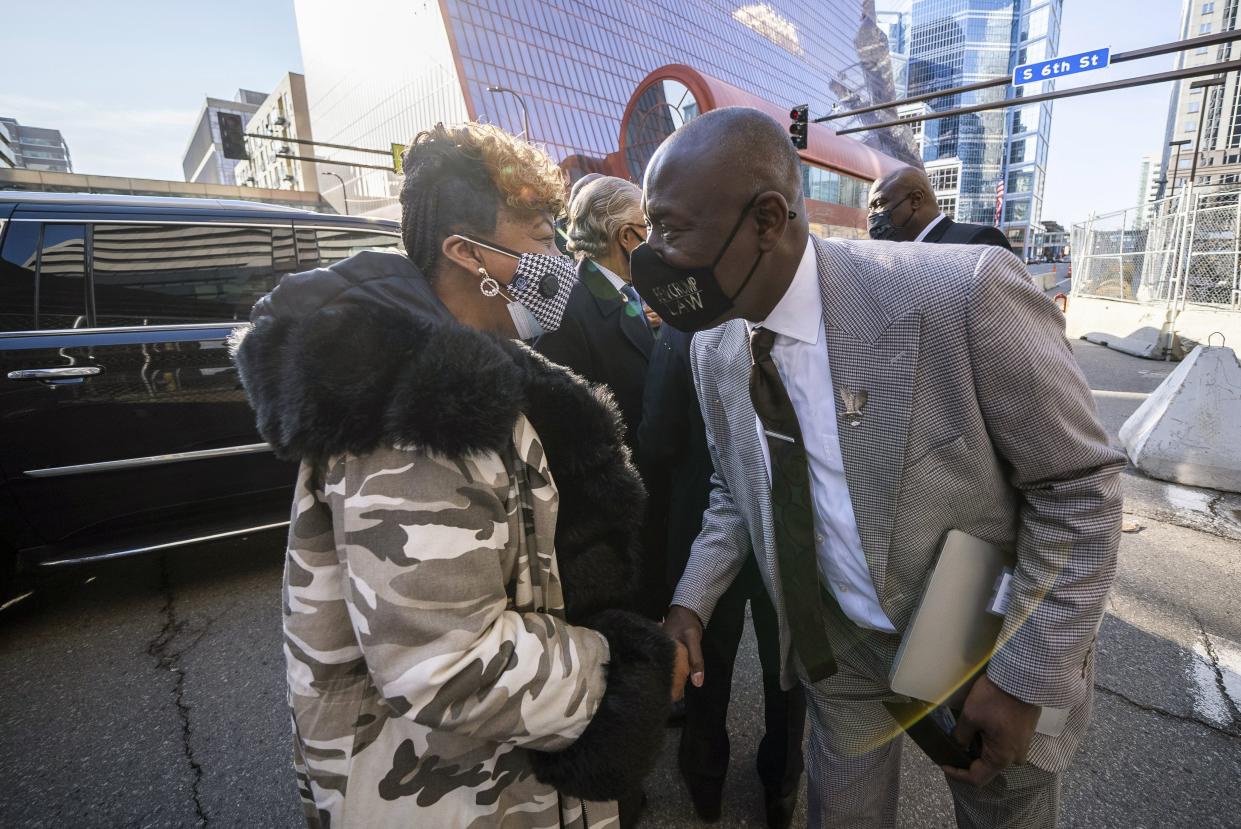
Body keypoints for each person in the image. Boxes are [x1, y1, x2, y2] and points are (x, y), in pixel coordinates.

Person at [633, 107, 1124, 829]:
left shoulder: (961, 294)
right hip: (838, 653)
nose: (651, 254)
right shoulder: (712, 347)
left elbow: (1078, 487)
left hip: (976, 644)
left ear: (766, 219)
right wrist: (689, 602)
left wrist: (1023, 678)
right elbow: (735, 486)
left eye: (669, 229)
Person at [233, 122, 686, 829]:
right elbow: (442, 662)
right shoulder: (417, 412)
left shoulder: (476, 372)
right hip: (444, 793)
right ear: (466, 252)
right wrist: (623, 669)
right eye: (540, 238)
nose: (559, 260)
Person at [639, 325, 806, 828]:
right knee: (781, 665)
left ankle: (706, 775)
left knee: (710, 669)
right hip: (728, 525)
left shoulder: (680, 329)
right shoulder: (710, 339)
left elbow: (658, 436)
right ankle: (780, 784)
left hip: (718, 516)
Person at [539, 176, 655, 448]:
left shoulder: (630, 289)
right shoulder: (566, 310)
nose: (655, 237)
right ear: (626, 236)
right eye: (648, 226)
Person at [867, 166, 1013, 249]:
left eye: (879, 204)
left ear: (916, 200)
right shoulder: (894, 251)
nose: (871, 216)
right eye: (870, 209)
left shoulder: (979, 241)